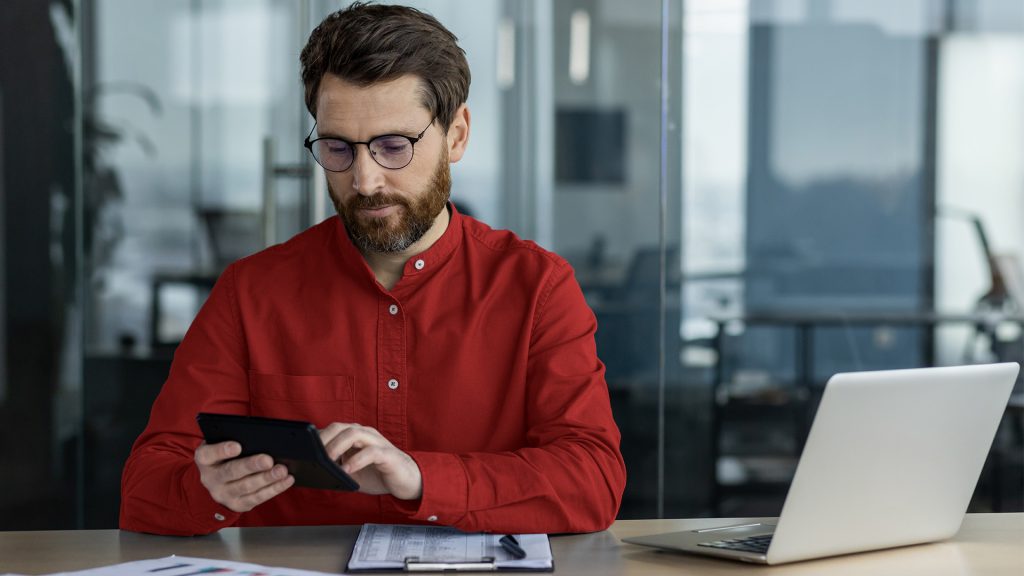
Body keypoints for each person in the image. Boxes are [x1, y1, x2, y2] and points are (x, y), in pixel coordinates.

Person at [120, 2, 626, 536]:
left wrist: (421, 477)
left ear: (456, 136)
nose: (363, 180)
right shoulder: (251, 292)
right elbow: (145, 488)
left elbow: (592, 479)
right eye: (337, 148)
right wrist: (207, 492)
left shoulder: (538, 288)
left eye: (393, 146)